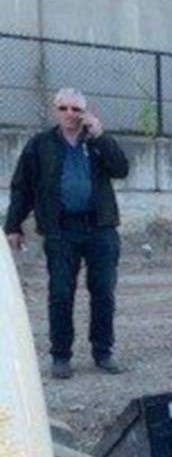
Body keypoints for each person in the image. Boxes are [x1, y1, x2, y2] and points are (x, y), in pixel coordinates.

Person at [5, 89, 129, 379]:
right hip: (61, 229)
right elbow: (22, 186)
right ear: (55, 110)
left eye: (76, 109)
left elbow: (121, 169)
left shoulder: (96, 142)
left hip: (100, 228)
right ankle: (61, 356)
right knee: (61, 293)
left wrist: (101, 136)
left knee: (103, 292)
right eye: (64, 108)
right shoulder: (41, 145)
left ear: (85, 111)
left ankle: (103, 352)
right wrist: (13, 225)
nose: (70, 114)